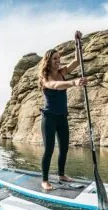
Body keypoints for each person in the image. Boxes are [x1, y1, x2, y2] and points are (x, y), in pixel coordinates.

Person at [38, 31, 88, 191]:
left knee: (65, 147)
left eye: (59, 59)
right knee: (49, 149)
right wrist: (73, 83)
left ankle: (61, 174)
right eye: (54, 59)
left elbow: (77, 61)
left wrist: (77, 43)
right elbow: (54, 86)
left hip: (62, 117)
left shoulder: (61, 72)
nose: (58, 61)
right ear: (48, 60)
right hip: (49, 118)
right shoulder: (45, 77)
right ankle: (44, 180)